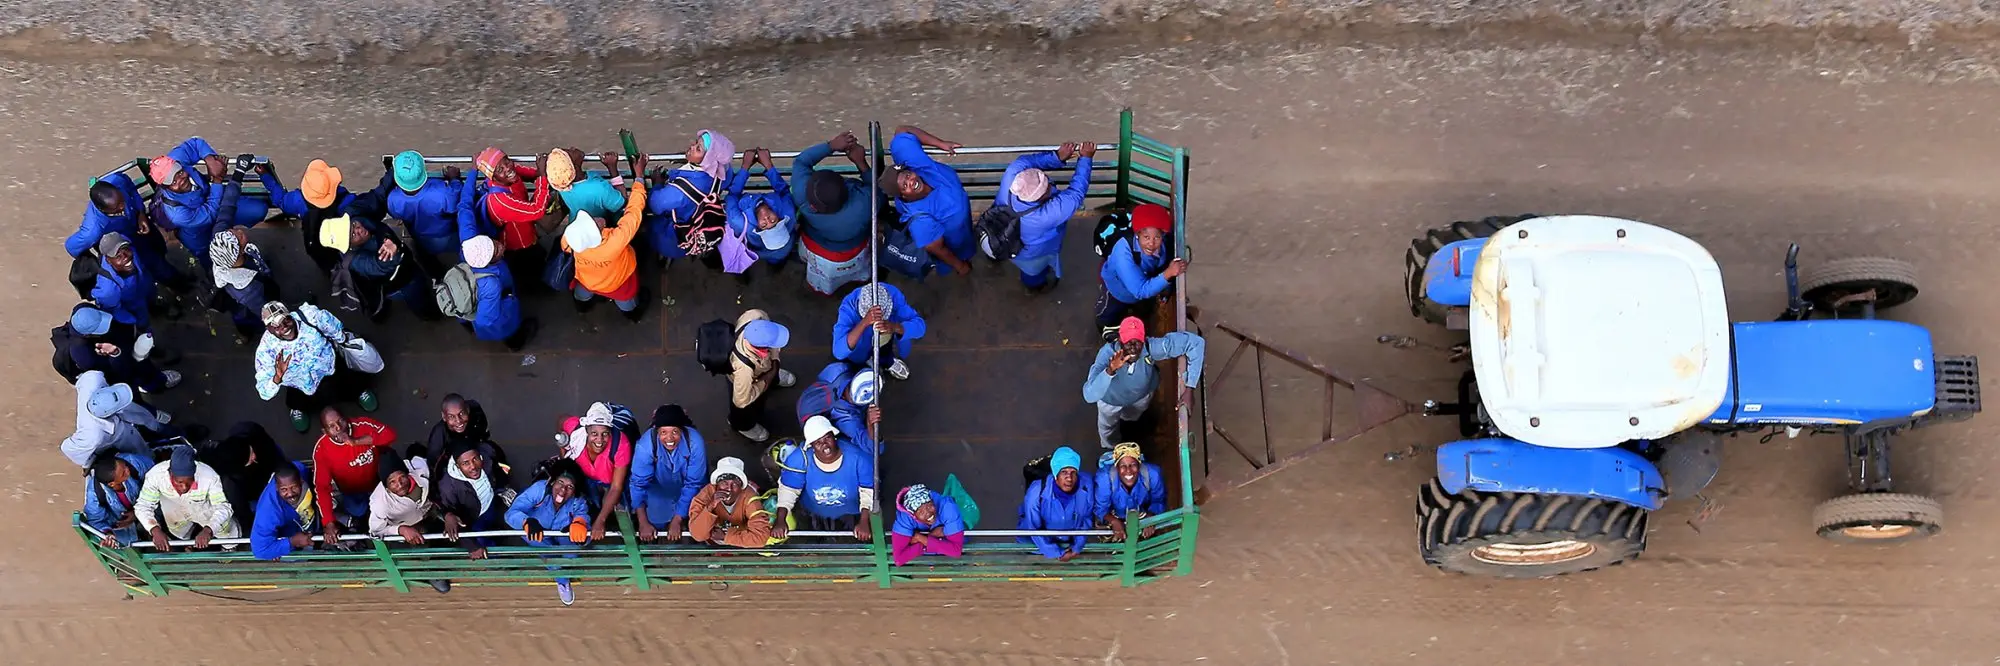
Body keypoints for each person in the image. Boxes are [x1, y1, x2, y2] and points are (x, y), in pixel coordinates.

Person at [1082, 317, 1207, 450]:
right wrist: (1110, 370)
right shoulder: (1106, 355)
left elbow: (1196, 343)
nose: (1133, 348)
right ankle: (1110, 448)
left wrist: (1190, 388)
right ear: (1120, 341)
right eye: (1128, 342)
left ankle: (1130, 423)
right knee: (1108, 429)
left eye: (1137, 342)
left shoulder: (1150, 348)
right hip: (1110, 401)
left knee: (1133, 416)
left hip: (1141, 396)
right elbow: (1089, 395)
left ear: (1144, 340)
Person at [254, 302, 380, 433]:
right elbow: (264, 393)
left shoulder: (310, 317)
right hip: (300, 384)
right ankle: (298, 409)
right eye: (276, 327)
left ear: (289, 314)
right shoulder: (266, 351)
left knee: (347, 380)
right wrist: (277, 378)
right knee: (297, 398)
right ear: (268, 329)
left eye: (285, 320)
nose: (284, 328)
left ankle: (358, 392)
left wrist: (343, 340)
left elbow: (335, 328)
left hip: (329, 366)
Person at [991, 141, 1096, 292]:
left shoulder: (1012, 174)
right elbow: (1076, 193)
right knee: (1033, 273)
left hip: (1000, 234)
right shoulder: (1047, 215)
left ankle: (994, 258)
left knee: (1027, 268)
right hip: (1031, 253)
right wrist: (1085, 158)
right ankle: (1034, 287)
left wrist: (1057, 157)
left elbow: (1025, 161)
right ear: (1041, 197)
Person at [147, 138, 269, 265]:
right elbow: (210, 213)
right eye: (173, 182)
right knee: (209, 256)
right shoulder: (176, 213)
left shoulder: (174, 161)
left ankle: (233, 239)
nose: (181, 179)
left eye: (180, 172)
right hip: (198, 231)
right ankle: (211, 274)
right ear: (165, 187)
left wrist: (210, 160)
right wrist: (217, 180)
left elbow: (195, 143)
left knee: (258, 210)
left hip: (216, 203)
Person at [562, 153, 652, 321]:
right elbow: (634, 211)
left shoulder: (569, 240)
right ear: (597, 235)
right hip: (617, 284)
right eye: (594, 223)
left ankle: (583, 307)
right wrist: (639, 176)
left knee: (581, 295)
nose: (594, 218)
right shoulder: (615, 241)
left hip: (587, 281)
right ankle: (633, 315)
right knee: (629, 304)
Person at [879, 125, 973, 276]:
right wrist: (961, 266)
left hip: (964, 223)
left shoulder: (913, 162)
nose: (911, 181)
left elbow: (902, 130)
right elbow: (936, 248)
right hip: (955, 242)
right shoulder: (921, 221)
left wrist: (940, 143)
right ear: (902, 196)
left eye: (908, 175)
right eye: (904, 186)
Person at [790, 131, 876, 295]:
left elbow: (801, 161)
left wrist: (831, 146)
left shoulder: (802, 194)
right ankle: (860, 281)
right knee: (860, 271)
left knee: (822, 280)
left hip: (818, 250)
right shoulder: (862, 204)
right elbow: (878, 193)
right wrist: (861, 162)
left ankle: (818, 291)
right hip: (855, 251)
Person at [67, 171, 183, 292]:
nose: (122, 207)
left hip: (139, 223)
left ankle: (166, 263)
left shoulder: (116, 180)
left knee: (159, 246)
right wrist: (97, 264)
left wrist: (140, 212)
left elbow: (130, 186)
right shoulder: (92, 229)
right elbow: (72, 246)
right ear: (102, 210)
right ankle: (178, 285)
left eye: (122, 201)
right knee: (156, 266)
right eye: (116, 208)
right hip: (127, 242)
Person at [773, 414, 878, 542]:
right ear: (811, 445)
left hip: (851, 513)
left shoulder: (858, 458)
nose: (825, 445)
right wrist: (780, 520)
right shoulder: (799, 459)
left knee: (851, 542)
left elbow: (868, 491)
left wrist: (864, 521)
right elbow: (789, 490)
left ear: (834, 436)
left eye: (827, 438)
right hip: (814, 512)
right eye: (818, 442)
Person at [320, 213, 438, 321]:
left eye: (354, 225)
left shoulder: (359, 221)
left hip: (396, 274)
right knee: (418, 299)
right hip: (402, 282)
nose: (359, 229)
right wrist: (395, 249)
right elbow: (383, 265)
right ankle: (429, 315)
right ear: (348, 246)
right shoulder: (359, 261)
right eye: (353, 234)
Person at [505, 459, 592, 606]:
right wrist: (526, 522)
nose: (563, 490)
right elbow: (510, 514)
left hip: (562, 533)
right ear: (552, 481)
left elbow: (585, 524)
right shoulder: (539, 489)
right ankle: (563, 581)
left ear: (575, 490)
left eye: (570, 486)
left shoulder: (578, 502)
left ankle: (561, 572)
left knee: (571, 556)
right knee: (548, 553)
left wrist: (581, 530)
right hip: (536, 530)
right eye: (560, 483)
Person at [368, 450, 453, 594]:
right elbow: (375, 531)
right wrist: (400, 529)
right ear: (386, 486)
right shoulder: (379, 502)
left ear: (408, 473)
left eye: (402, 478)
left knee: (455, 523)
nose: (400, 485)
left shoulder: (421, 469)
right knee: (421, 545)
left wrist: (447, 513)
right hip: (408, 526)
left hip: (429, 511)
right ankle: (433, 572)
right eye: (392, 482)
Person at [644, 130, 734, 264]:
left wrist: (657, 184)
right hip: (694, 231)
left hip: (671, 233)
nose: (692, 146)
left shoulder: (678, 192)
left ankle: (664, 257)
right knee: (677, 248)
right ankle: (669, 258)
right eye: (696, 143)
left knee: (662, 242)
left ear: (707, 159)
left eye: (698, 148)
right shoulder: (721, 171)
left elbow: (655, 205)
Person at [311, 407, 397, 544]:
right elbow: (322, 487)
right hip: (352, 492)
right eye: (332, 426)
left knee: (389, 511)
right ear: (325, 431)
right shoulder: (322, 449)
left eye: (341, 421)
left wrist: (356, 441)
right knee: (358, 511)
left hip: (379, 484)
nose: (338, 428)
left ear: (347, 419)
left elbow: (390, 435)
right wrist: (328, 521)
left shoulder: (362, 425)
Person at [375, 151, 469, 275]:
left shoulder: (392, 199)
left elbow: (396, 215)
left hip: (420, 237)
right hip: (447, 236)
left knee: (429, 259)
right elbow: (456, 201)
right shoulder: (442, 192)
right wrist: (454, 179)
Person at [1096, 203, 1187, 329]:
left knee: (1144, 313)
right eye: (1146, 237)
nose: (1151, 244)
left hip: (1144, 289)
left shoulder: (1164, 245)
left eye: (1157, 237)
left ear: (1163, 236)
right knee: (1107, 317)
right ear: (1137, 234)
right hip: (1117, 292)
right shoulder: (1122, 253)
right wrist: (1169, 273)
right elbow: (1139, 291)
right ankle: (1104, 325)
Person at [628, 404, 707, 543]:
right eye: (663, 432)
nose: (669, 438)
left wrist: (677, 519)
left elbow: (694, 483)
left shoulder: (695, 442)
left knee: (695, 525)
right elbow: (638, 485)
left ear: (682, 430)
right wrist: (643, 522)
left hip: (690, 490)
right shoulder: (645, 445)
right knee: (654, 523)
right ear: (657, 431)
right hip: (658, 490)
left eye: (675, 432)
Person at [135, 446, 239, 552]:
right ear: (170, 473)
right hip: (174, 508)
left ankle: (228, 548)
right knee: (178, 529)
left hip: (204, 507)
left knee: (225, 529)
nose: (184, 487)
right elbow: (143, 506)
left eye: (189, 481)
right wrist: (154, 530)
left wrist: (209, 530)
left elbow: (223, 507)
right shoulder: (155, 476)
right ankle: (187, 543)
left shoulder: (209, 476)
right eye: (179, 482)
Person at [556, 402, 633, 541]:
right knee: (592, 501)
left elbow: (616, 487)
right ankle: (596, 511)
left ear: (610, 431)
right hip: (587, 477)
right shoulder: (575, 432)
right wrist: (563, 451)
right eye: (594, 434)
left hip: (611, 480)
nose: (599, 440)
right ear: (586, 431)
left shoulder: (621, 445)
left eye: (605, 434)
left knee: (622, 506)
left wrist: (601, 521)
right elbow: (562, 419)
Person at [472, 148, 556, 275]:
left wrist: (542, 172)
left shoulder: (508, 174)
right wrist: (543, 177)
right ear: (493, 177)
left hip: (526, 229)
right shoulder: (500, 201)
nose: (508, 168)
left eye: (507, 161)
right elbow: (537, 210)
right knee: (529, 268)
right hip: (519, 243)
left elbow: (534, 174)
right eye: (500, 169)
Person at [61, 377, 176, 468]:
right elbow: (68, 449)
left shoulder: (93, 380)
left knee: (145, 418)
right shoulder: (93, 435)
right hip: (118, 438)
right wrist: (90, 461)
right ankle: (152, 460)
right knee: (140, 452)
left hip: (120, 420)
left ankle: (164, 430)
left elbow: (84, 377)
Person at [61, 305, 179, 393]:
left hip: (126, 341)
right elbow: (114, 371)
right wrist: (115, 353)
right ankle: (154, 384)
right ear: (87, 335)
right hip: (121, 362)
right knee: (136, 372)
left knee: (142, 353)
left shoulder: (82, 310)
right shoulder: (83, 355)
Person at [195, 421, 288, 532]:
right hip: (252, 488)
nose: (254, 456)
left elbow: (271, 449)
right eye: (249, 459)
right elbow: (242, 511)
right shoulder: (230, 484)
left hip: (268, 460)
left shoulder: (247, 430)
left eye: (251, 450)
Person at [432, 439, 513, 560]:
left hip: (489, 503)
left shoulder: (488, 452)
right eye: (465, 463)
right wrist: (471, 546)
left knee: (493, 523)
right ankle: (500, 561)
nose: (473, 467)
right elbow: (452, 517)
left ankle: (497, 534)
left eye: (475, 459)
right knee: (482, 539)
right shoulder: (449, 487)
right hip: (473, 518)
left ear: (480, 456)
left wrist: (502, 488)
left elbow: (500, 468)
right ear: (457, 466)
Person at [458, 235, 539, 350]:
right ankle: (515, 343)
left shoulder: (468, 251)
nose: (500, 246)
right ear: (488, 260)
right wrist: (509, 299)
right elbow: (485, 319)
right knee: (509, 330)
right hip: (500, 317)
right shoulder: (491, 284)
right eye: (495, 250)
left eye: (493, 243)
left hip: (474, 310)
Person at [832, 282, 925, 381]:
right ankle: (867, 364)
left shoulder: (893, 296)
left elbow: (920, 327)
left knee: (885, 351)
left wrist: (895, 327)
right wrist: (864, 323)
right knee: (858, 359)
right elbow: (838, 352)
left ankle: (888, 363)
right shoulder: (848, 306)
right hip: (860, 343)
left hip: (885, 338)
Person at [729, 310, 797, 442]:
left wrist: (774, 362)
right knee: (743, 408)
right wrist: (764, 382)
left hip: (764, 364)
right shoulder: (743, 371)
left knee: (771, 368)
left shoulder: (755, 315)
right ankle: (743, 426)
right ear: (761, 348)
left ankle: (774, 376)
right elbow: (741, 401)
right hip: (747, 380)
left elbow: (774, 347)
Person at [725, 148, 797, 270]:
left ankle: (774, 266)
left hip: (763, 250)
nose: (767, 219)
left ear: (757, 227)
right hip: (782, 251)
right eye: (773, 222)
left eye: (764, 225)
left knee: (775, 258)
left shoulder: (739, 221)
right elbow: (784, 191)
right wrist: (768, 165)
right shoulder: (788, 212)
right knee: (777, 260)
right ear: (780, 219)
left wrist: (745, 167)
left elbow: (732, 195)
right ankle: (775, 267)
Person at [1018, 446, 1095, 560]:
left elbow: (1086, 519)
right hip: (1037, 545)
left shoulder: (1086, 486)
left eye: (1073, 472)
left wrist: (1076, 547)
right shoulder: (1036, 491)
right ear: (1055, 474)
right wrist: (1057, 553)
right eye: (1063, 472)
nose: (1069, 478)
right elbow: (1033, 527)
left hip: (1069, 544)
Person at [207, 227, 280, 341]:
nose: (240, 231)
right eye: (239, 237)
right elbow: (261, 308)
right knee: (248, 322)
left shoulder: (222, 254)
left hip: (248, 297)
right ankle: (246, 334)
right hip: (251, 310)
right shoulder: (249, 291)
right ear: (240, 252)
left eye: (232, 231)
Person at [687, 457, 771, 548]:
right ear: (717, 485)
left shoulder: (750, 497)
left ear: (741, 486)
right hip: (714, 545)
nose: (729, 488)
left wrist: (726, 537)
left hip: (742, 545)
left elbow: (760, 538)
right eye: (724, 483)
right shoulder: (706, 494)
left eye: (734, 484)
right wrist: (710, 506)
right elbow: (698, 535)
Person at [249, 461, 326, 560]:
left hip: (313, 526)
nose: (290, 494)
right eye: (284, 489)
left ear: (301, 481)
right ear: (277, 488)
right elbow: (260, 550)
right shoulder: (269, 510)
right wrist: (292, 542)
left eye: (294, 487)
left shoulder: (300, 469)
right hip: (293, 543)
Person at [1094, 443, 1167, 541]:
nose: (1128, 471)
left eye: (1133, 465)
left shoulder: (1152, 474)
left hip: (1143, 513)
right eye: (1123, 466)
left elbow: (1159, 500)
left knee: (1151, 539)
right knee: (1112, 541)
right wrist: (1114, 521)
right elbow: (1101, 509)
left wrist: (1150, 517)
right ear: (1117, 467)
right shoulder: (1105, 478)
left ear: (1139, 465)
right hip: (1113, 514)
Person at [83, 450, 154, 547]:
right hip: (122, 526)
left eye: (125, 466)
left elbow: (157, 480)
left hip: (151, 508)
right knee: (124, 545)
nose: (127, 470)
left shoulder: (133, 462)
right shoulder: (95, 492)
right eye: (123, 473)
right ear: (112, 484)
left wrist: (138, 513)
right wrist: (107, 533)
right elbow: (95, 520)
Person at [90, 232, 158, 333]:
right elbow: (114, 311)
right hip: (134, 306)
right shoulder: (108, 290)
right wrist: (133, 320)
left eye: (126, 249)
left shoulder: (125, 242)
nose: (125, 257)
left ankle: (154, 309)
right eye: (118, 256)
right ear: (108, 260)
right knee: (143, 325)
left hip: (144, 287)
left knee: (151, 304)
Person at [890, 483, 966, 566]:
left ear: (932, 501)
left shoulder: (948, 508)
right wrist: (930, 537)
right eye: (921, 512)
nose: (928, 513)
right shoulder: (904, 518)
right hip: (929, 556)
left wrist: (919, 538)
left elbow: (956, 550)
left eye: (929, 506)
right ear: (913, 516)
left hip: (950, 558)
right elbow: (899, 559)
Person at [546, 147, 627, 221]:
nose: (572, 148)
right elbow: (621, 203)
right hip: (603, 227)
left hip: (577, 224)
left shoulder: (562, 185)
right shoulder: (599, 188)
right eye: (570, 152)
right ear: (573, 166)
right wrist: (612, 168)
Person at [425, 394, 492, 455]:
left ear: (468, 410)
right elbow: (433, 465)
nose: (458, 421)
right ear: (444, 417)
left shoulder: (476, 411)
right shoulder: (438, 438)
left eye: (461, 413)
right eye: (451, 416)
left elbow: (483, 429)